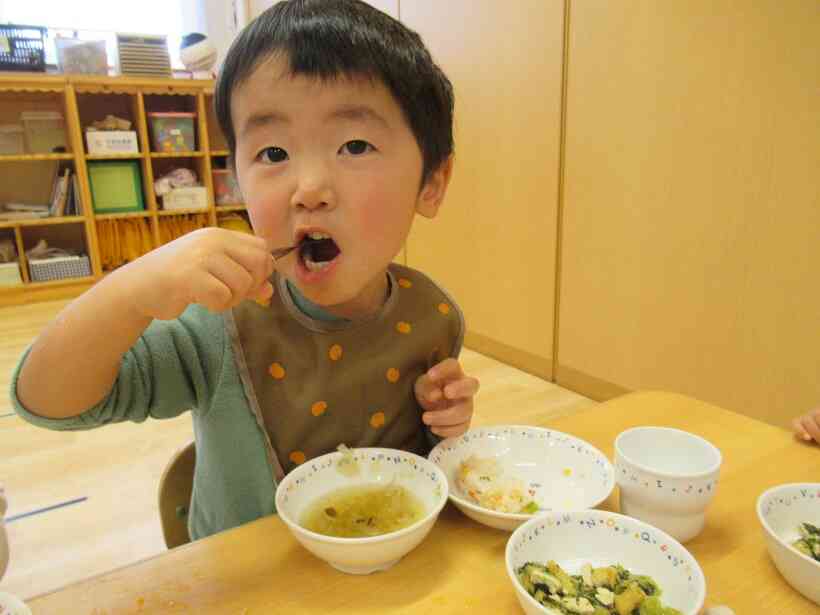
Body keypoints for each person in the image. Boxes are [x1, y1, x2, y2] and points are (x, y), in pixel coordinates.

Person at [10, 0, 478, 541]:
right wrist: (129, 292)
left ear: (432, 183)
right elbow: (47, 401)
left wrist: (447, 423)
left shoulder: (433, 315)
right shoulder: (220, 320)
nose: (309, 189)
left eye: (354, 145)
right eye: (273, 152)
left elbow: (417, 467)